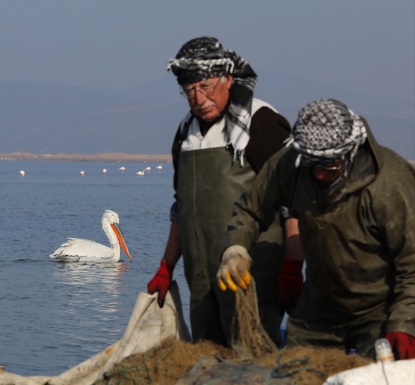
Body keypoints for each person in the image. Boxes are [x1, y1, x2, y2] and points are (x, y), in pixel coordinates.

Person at [217, 98, 415, 360]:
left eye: (329, 167)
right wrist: (236, 248)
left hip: (380, 310)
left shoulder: (390, 183)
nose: (319, 175)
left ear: (350, 152)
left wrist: (404, 324)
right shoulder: (292, 164)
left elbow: (411, 265)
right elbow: (251, 209)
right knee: (291, 379)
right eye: (312, 166)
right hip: (318, 309)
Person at [146, 36, 302, 347]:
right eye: (189, 91)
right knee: (206, 355)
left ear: (228, 79)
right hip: (201, 278)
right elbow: (181, 208)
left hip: (253, 272)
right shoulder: (185, 133)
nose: (198, 98)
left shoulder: (261, 121)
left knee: (253, 352)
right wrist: (166, 266)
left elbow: (294, 199)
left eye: (205, 87)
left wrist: (293, 266)